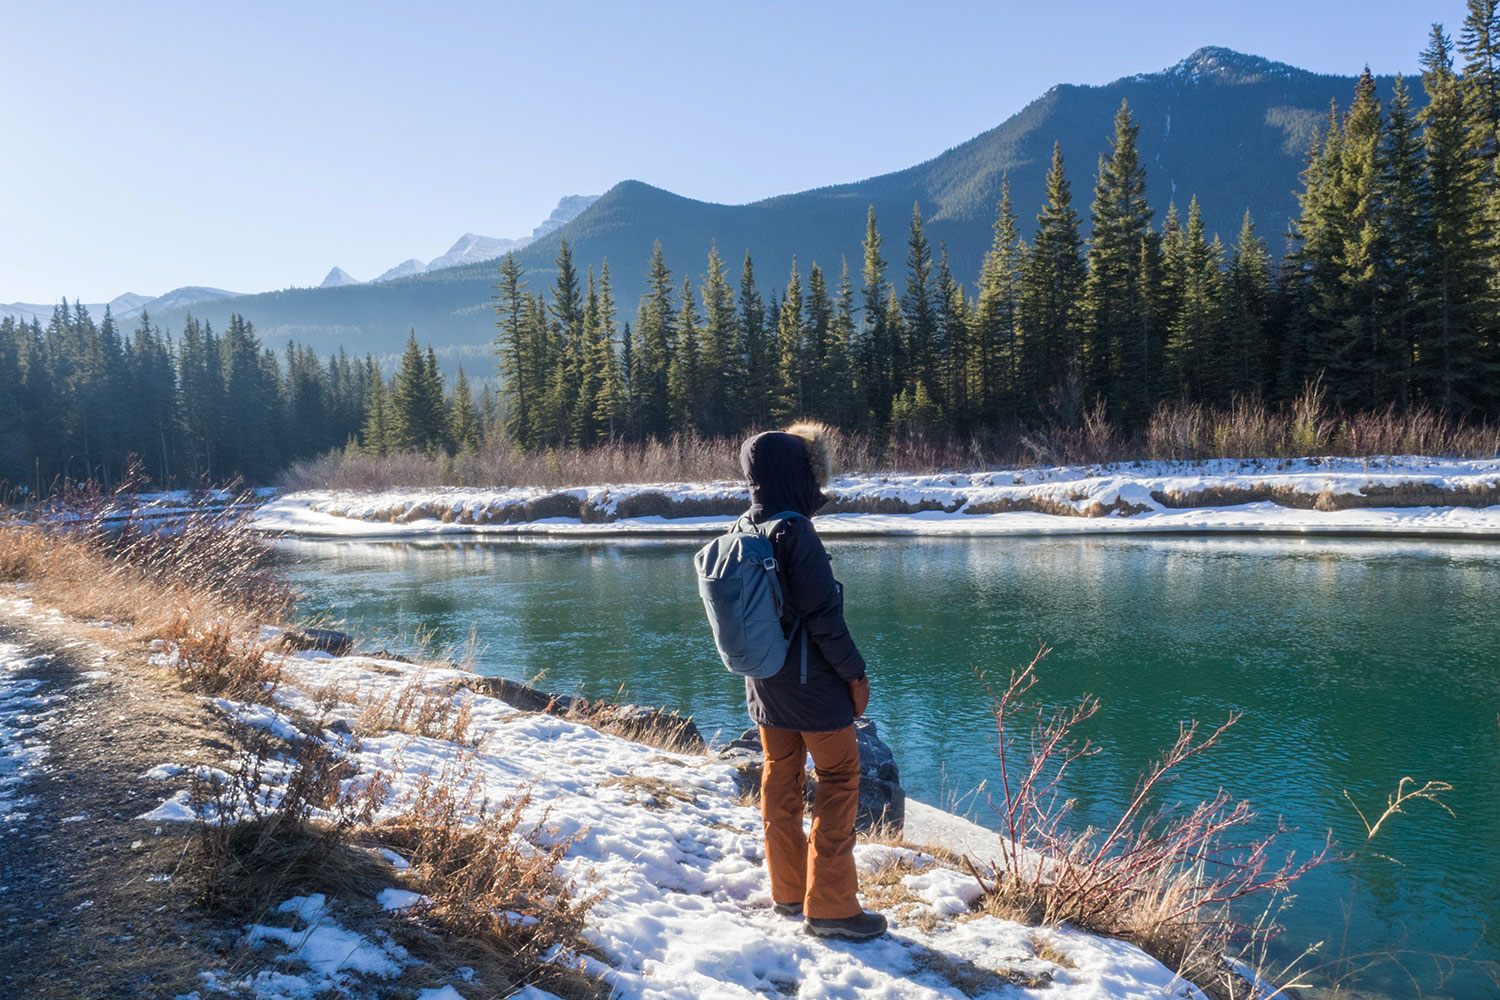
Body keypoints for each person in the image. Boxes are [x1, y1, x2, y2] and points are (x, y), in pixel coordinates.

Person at [738, 422, 887, 942]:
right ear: (797, 473)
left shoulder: (745, 527)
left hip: (766, 687)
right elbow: (824, 616)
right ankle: (831, 906)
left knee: (780, 776)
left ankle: (788, 890)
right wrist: (856, 674)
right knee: (841, 778)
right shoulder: (795, 530)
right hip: (813, 687)